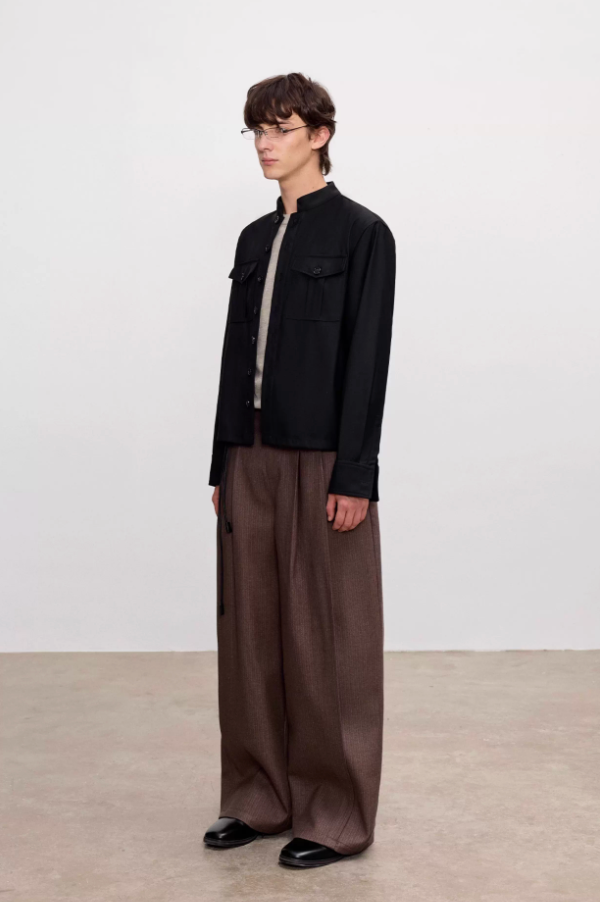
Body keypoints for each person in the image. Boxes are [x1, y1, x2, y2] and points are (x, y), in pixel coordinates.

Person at [203, 72, 396, 869]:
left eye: (280, 129)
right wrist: (221, 459)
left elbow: (367, 359)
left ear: (320, 135)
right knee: (248, 634)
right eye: (256, 131)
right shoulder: (253, 239)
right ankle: (258, 797)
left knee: (329, 639)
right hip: (249, 456)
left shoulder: (363, 234)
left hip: (322, 460)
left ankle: (335, 814)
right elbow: (232, 358)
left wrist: (356, 473)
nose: (265, 144)